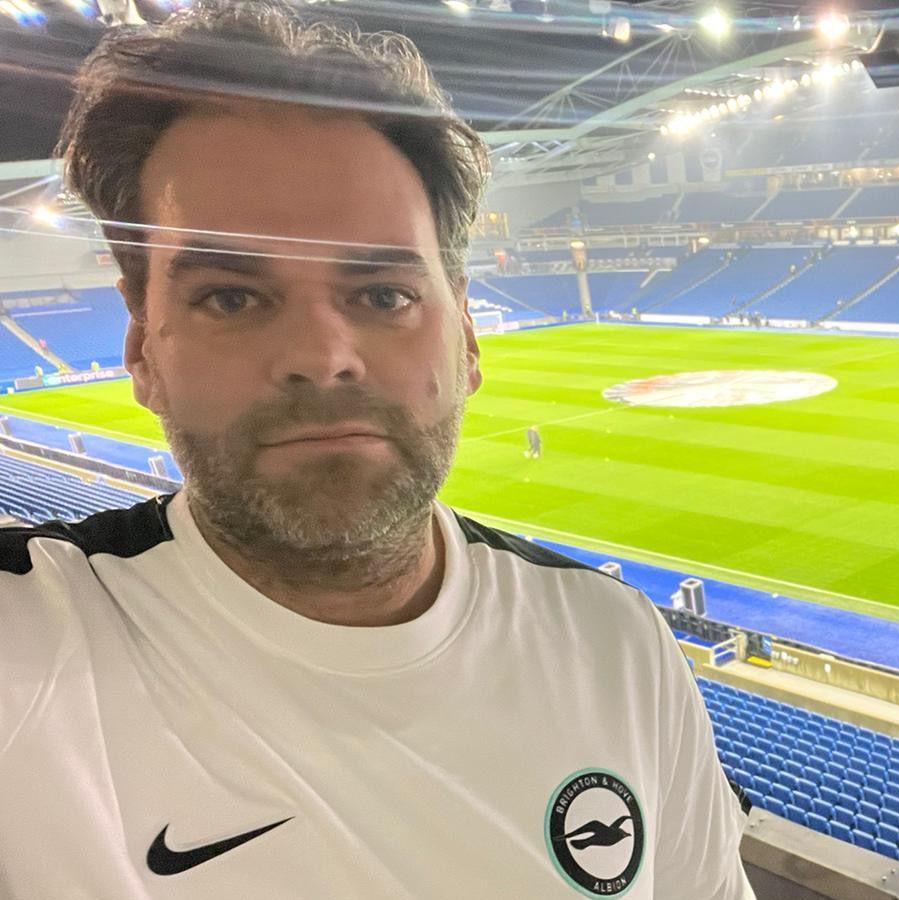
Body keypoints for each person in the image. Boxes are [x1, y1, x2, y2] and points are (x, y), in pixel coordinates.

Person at [0, 2, 752, 896]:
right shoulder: (31, 643)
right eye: (231, 297)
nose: (323, 359)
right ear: (142, 348)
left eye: (385, 294)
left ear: (467, 338)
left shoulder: (616, 643)